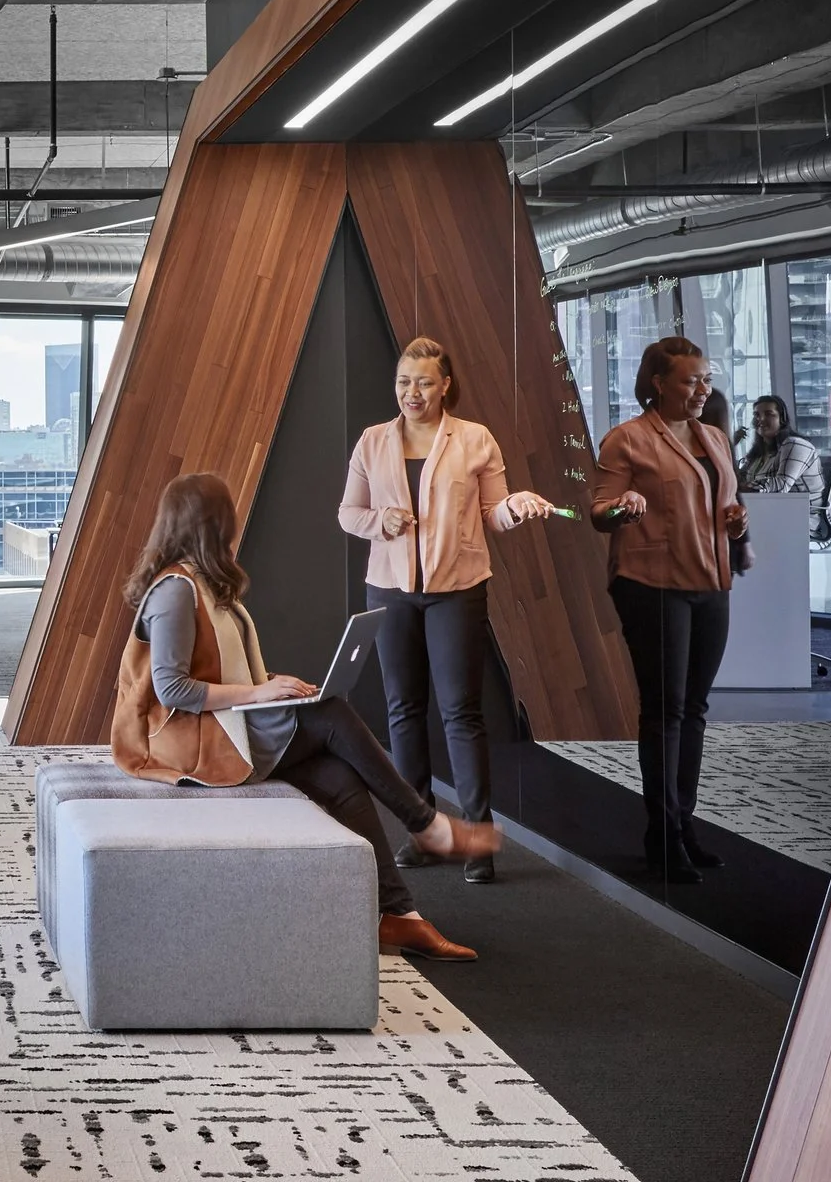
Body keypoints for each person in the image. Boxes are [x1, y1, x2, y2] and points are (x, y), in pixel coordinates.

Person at [123, 472, 498, 960]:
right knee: (332, 715)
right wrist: (262, 694)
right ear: (210, 524)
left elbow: (222, 669)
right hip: (195, 747)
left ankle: (398, 917)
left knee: (341, 775)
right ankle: (425, 824)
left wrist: (279, 689)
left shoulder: (205, 584)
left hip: (228, 728)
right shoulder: (175, 592)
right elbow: (172, 689)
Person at [338, 337, 554, 884]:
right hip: (389, 589)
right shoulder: (372, 441)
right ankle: (425, 835)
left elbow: (494, 514)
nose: (413, 392)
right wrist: (377, 522)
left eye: (425, 382)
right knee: (403, 712)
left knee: (462, 713)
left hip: (457, 589)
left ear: (445, 386)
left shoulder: (475, 439)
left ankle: (477, 839)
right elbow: (348, 513)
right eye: (404, 382)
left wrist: (516, 507)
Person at [593, 336, 747, 882]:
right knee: (665, 711)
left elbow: (724, 502)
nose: (703, 388)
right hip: (651, 585)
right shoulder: (627, 440)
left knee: (695, 709)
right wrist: (623, 507)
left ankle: (684, 827)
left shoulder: (714, 439)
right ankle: (662, 837)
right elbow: (598, 513)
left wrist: (735, 522)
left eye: (706, 378)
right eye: (691, 380)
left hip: (711, 583)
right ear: (658, 384)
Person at [738, 394, 819, 493]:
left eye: (768, 414)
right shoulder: (759, 454)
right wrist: (730, 443)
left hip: (800, 508)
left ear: (782, 419)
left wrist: (746, 486)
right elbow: (735, 480)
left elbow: (781, 485)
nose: (761, 419)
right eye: (757, 415)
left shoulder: (796, 444)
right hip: (767, 506)